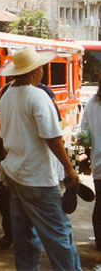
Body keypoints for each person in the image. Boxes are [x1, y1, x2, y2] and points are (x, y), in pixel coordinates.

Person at [0, 47, 81, 270]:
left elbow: (4, 139)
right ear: (34, 72)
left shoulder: (6, 96)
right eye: (41, 67)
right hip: (39, 178)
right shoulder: (37, 95)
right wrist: (69, 169)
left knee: (24, 238)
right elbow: (53, 137)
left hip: (15, 175)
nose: (42, 70)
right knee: (59, 236)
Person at [0, 80, 64, 247]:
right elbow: (2, 127)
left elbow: (54, 129)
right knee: (3, 198)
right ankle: (10, 233)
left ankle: (26, 238)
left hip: (34, 163)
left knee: (41, 216)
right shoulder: (6, 92)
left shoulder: (43, 92)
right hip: (11, 157)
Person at [80, 72, 101, 250]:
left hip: (99, 162)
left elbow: (84, 134)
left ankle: (100, 243)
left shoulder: (92, 103)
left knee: (100, 203)